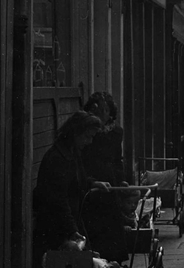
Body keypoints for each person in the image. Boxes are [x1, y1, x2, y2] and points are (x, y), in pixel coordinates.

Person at [32, 111, 111, 267]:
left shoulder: (72, 153)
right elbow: (58, 200)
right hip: (56, 227)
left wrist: (94, 183)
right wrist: (72, 230)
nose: (89, 142)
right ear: (76, 133)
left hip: (68, 221)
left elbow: (78, 180)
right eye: (87, 137)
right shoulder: (57, 158)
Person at [80, 92, 130, 263]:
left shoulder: (116, 132)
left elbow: (117, 159)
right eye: (99, 109)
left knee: (111, 225)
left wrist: (121, 179)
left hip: (109, 181)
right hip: (91, 178)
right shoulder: (88, 130)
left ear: (111, 113)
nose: (102, 113)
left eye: (106, 110)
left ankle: (113, 260)